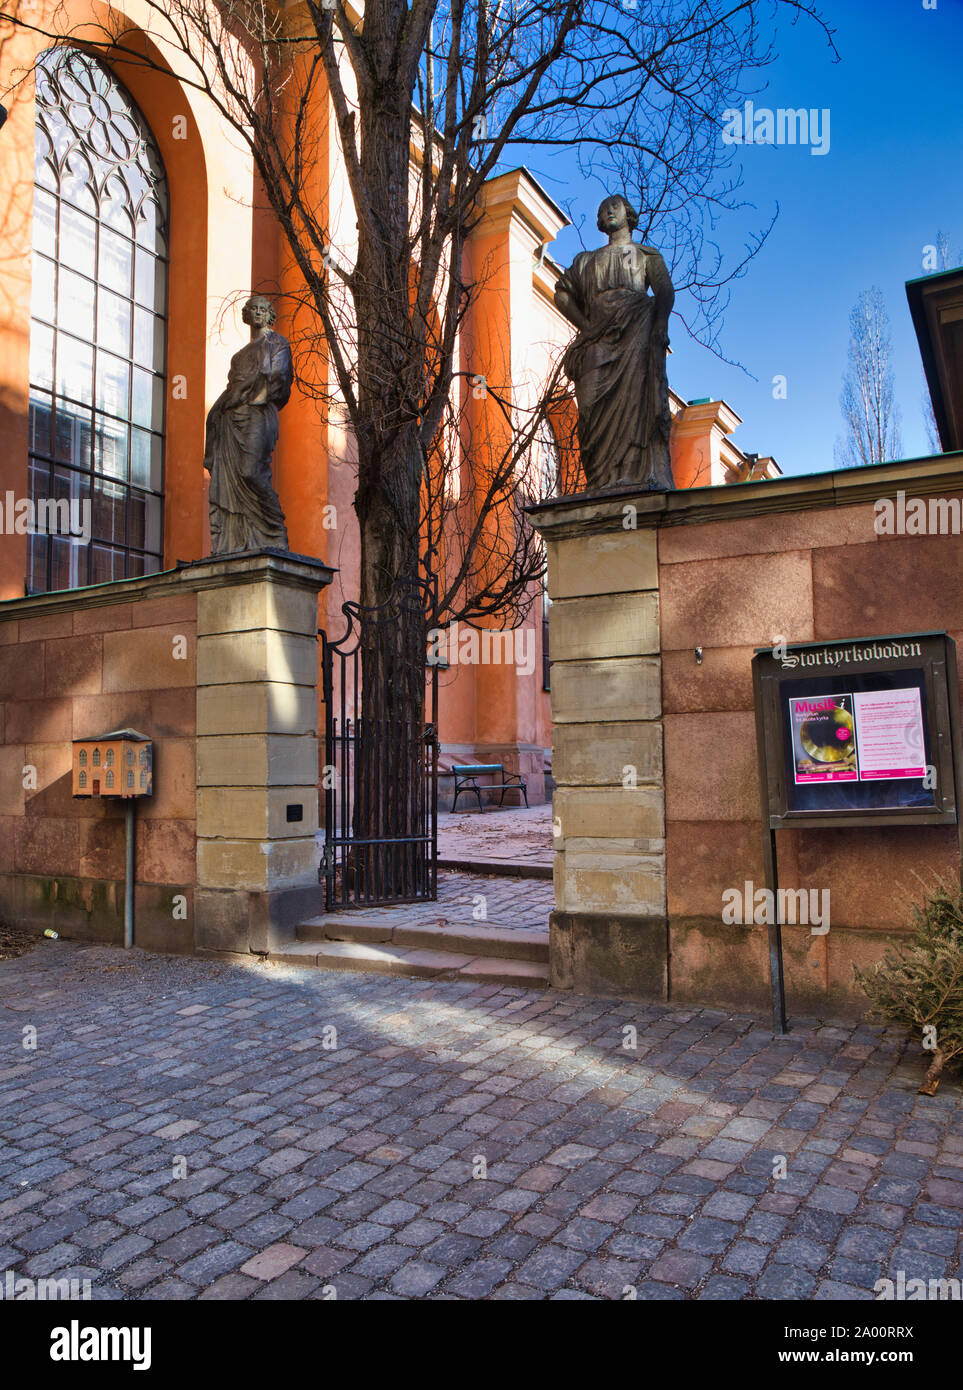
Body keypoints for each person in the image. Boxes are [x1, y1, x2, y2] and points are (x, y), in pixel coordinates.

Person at [555, 195, 675, 492]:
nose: (608, 210)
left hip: (636, 331)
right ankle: (599, 480)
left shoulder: (645, 255)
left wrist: (659, 325)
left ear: (628, 214)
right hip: (597, 339)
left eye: (614, 206)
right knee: (589, 409)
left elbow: (664, 291)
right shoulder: (586, 261)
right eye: (602, 207)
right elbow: (562, 294)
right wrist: (586, 327)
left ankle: (630, 474)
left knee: (634, 403)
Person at [205, 294, 292, 553]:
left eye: (262, 309)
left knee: (251, 472)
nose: (256, 313)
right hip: (232, 420)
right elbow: (233, 385)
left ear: (269, 314)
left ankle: (274, 529)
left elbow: (279, 377)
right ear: (247, 315)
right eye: (252, 309)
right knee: (232, 477)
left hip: (258, 413)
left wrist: (246, 390)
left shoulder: (278, 343)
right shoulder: (239, 355)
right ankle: (237, 539)